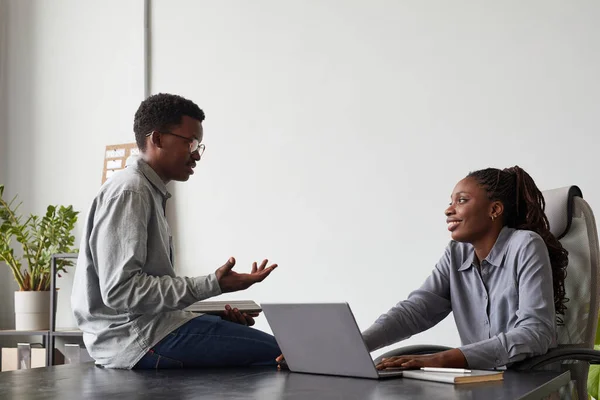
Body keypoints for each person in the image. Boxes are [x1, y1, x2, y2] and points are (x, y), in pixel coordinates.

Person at [71, 93, 281, 369]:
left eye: (199, 146)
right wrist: (214, 284)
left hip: (150, 329)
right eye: (191, 143)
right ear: (157, 139)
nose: (196, 154)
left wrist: (212, 316)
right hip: (136, 339)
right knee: (286, 355)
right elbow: (121, 292)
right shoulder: (130, 191)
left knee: (278, 354)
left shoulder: (147, 191)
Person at [361, 166, 568, 370]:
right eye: (451, 201)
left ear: (494, 209)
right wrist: (359, 344)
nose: (448, 209)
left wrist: (442, 360)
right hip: (479, 384)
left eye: (461, 200)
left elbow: (536, 332)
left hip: (530, 384)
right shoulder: (456, 254)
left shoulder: (526, 244)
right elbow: (415, 311)